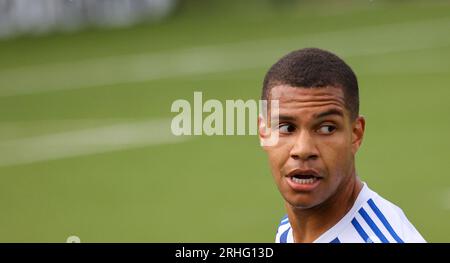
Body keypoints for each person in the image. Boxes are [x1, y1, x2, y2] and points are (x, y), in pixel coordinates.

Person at [258, 48, 425, 243]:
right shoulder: (289, 231)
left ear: (356, 134)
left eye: (327, 128)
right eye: (286, 127)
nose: (303, 149)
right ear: (263, 132)